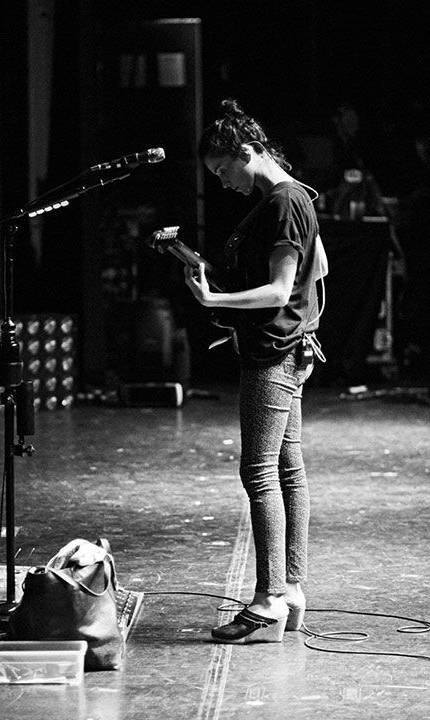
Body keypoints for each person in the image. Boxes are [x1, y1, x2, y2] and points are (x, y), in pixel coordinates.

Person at [184, 98, 328, 644]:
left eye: (224, 170)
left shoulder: (284, 201)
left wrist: (211, 301)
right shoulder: (285, 198)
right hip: (284, 344)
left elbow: (278, 289)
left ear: (246, 151)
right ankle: (290, 589)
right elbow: (318, 271)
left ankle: (269, 597)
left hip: (272, 352)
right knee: (287, 469)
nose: (222, 183)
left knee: (260, 470)